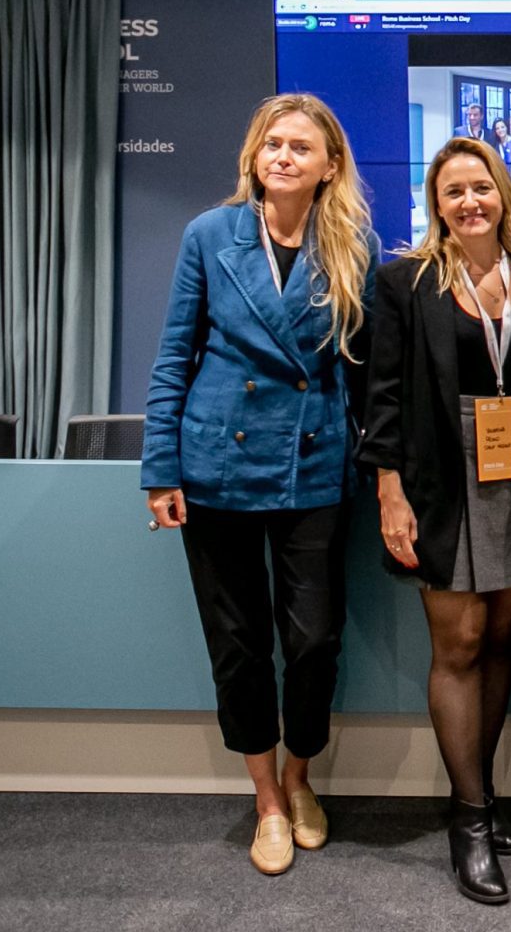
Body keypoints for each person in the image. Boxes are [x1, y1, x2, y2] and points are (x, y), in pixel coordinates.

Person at [141, 93, 379, 877]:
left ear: (328, 165)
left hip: (313, 466)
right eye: (271, 143)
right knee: (238, 646)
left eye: (299, 147)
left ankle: (302, 779)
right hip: (217, 466)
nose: (282, 156)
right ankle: (267, 801)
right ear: (254, 156)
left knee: (314, 641)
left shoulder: (351, 244)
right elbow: (175, 354)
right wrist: (160, 469)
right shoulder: (209, 234)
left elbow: (362, 367)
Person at [361, 137, 511, 905]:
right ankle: (470, 819)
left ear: (504, 195)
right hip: (439, 478)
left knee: (497, 639)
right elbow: (381, 393)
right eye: (452, 191)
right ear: (436, 204)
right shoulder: (404, 282)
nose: (469, 202)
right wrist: (389, 489)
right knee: (456, 640)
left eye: (480, 187)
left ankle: (480, 789)